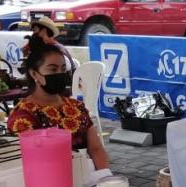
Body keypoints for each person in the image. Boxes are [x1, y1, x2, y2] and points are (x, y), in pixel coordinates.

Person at [7, 36, 110, 173]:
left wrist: (105, 177)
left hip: (89, 178)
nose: (60, 74)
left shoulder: (76, 107)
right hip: (50, 183)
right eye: (53, 69)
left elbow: (96, 149)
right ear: (34, 74)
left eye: (62, 69)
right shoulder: (23, 116)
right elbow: (31, 164)